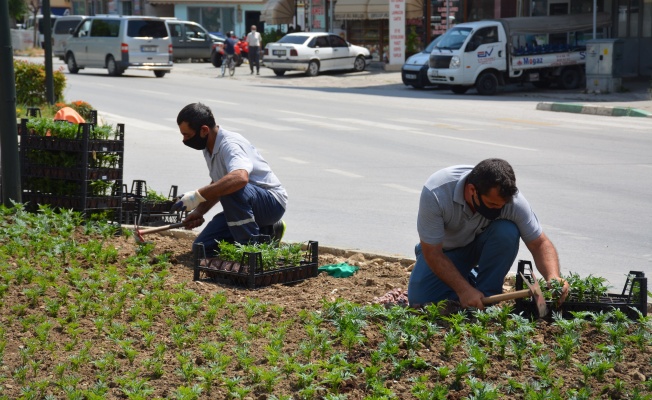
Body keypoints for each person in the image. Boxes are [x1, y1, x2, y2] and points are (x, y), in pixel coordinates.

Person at [407, 158, 569, 308]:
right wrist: (464, 290)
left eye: (501, 205)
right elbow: (433, 252)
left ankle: (487, 296)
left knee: (506, 230)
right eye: (491, 204)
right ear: (472, 190)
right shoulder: (437, 192)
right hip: (444, 252)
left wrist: (553, 276)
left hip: (479, 247)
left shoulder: (512, 202)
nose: (497, 209)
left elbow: (539, 243)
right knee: (422, 300)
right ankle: (468, 280)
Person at [173, 103, 287, 256]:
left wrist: (196, 195)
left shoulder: (230, 145)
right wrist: (199, 210)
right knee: (202, 247)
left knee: (233, 187)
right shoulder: (208, 146)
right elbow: (219, 183)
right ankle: (268, 231)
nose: (184, 140)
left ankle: (252, 252)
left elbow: (239, 178)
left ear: (204, 130)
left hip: (271, 203)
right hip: (243, 206)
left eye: (187, 135)